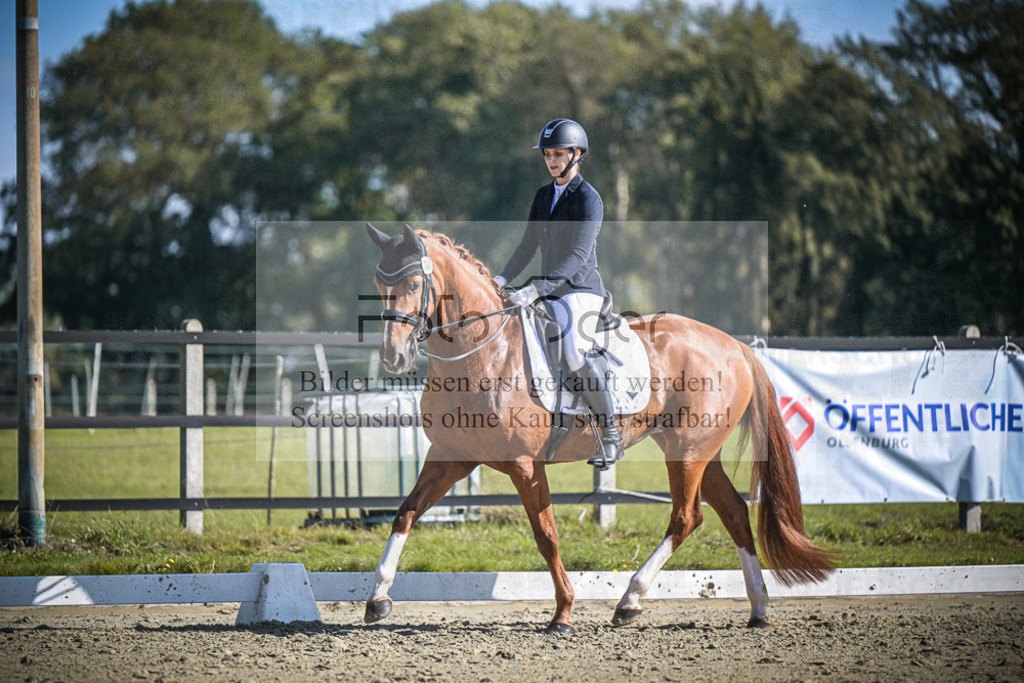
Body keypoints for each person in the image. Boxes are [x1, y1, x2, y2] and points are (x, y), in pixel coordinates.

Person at [493, 118, 623, 469]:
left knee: (574, 351)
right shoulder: (542, 196)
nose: (552, 160)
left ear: (577, 154)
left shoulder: (589, 199)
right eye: (548, 154)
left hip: (580, 290)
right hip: (547, 291)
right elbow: (527, 245)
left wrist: (537, 288)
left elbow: (579, 255)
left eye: (559, 153)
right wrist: (502, 279)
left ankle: (611, 436)